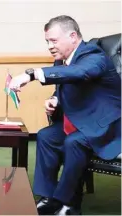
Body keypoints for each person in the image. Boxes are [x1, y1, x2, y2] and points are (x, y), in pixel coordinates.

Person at [8, 15, 121, 215]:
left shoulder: (94, 56)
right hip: (80, 122)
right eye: (47, 41)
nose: (50, 46)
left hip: (105, 127)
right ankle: (48, 197)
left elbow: (80, 73)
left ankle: (67, 203)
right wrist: (56, 100)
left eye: (54, 40)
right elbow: (67, 87)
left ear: (73, 36)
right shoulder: (60, 60)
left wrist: (31, 74)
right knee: (46, 136)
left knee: (73, 142)